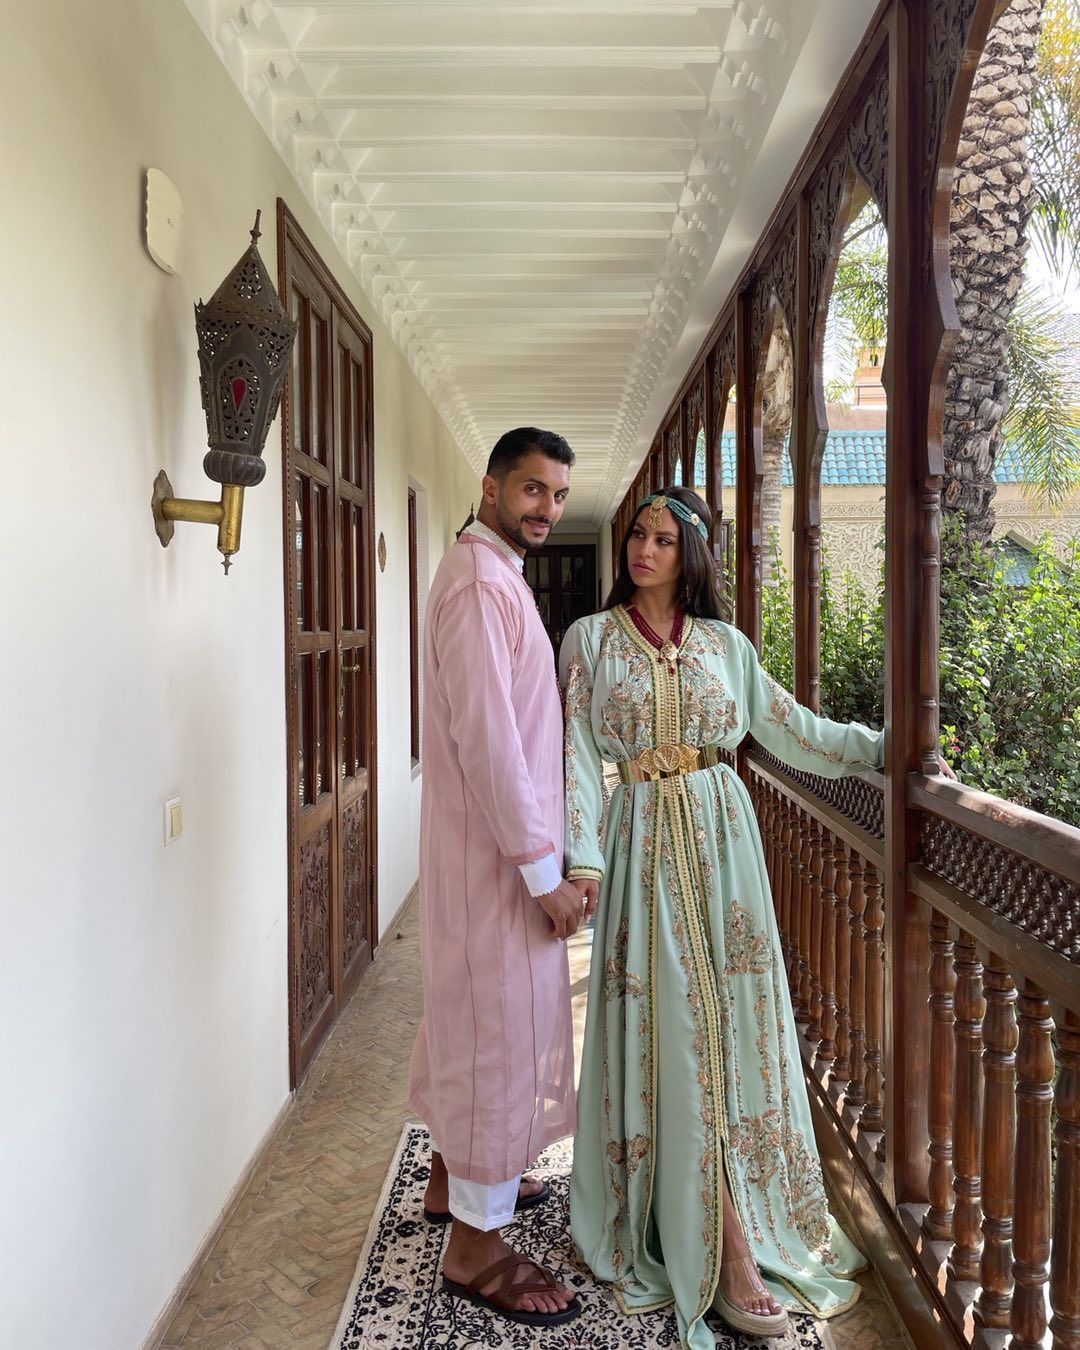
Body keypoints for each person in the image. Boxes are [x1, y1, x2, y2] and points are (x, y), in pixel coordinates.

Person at [561, 485, 933, 1347]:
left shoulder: (727, 647)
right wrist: (584, 861)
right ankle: (718, 1244)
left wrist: (889, 748)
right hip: (640, 846)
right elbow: (573, 754)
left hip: (724, 848)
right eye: (638, 534)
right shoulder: (590, 640)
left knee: (729, 1030)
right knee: (670, 1030)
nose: (644, 549)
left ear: (691, 554)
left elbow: (791, 729)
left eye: (663, 539)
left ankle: (739, 1219)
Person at [408, 427, 594, 1328]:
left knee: (474, 1020)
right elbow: (490, 744)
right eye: (531, 489)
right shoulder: (482, 584)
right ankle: (475, 1247)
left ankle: (455, 1178)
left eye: (557, 495)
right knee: (496, 1036)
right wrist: (542, 873)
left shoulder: (491, 574)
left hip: (485, 858)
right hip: (497, 866)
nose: (546, 508)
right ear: (490, 487)